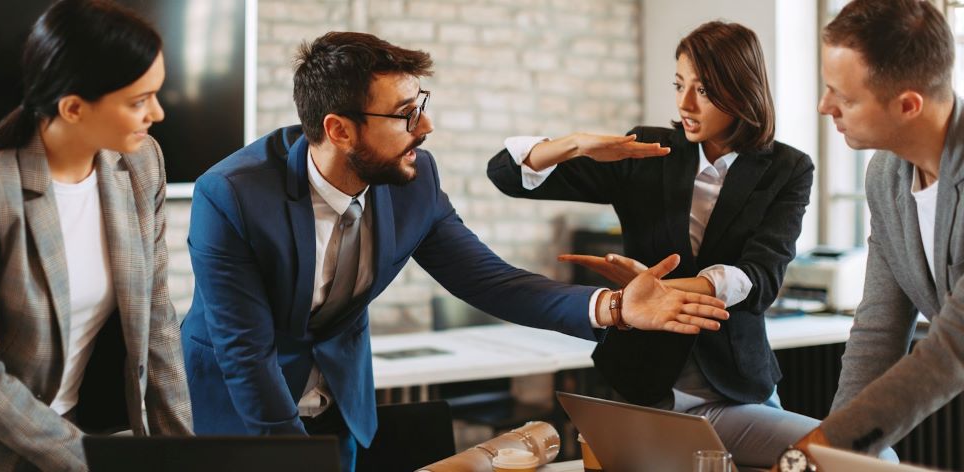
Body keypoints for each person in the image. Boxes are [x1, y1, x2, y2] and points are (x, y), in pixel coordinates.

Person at [181, 31, 730, 471]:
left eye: (420, 104)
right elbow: (246, 353)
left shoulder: (414, 180)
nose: (425, 126)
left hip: (338, 404)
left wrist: (612, 307)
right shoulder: (230, 196)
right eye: (404, 114)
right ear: (339, 130)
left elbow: (490, 281)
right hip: (237, 412)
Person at [487, 21, 817, 467]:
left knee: (835, 456)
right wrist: (575, 144)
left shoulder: (787, 168)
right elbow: (507, 175)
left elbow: (761, 278)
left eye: (703, 89)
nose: (684, 103)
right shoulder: (647, 151)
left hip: (737, 387)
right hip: (643, 386)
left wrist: (661, 290)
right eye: (679, 85)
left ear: (741, 90)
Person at [0, 1, 193, 470]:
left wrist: (184, 456)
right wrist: (87, 458)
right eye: (138, 101)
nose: (157, 112)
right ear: (73, 107)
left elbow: (157, 321)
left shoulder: (142, 165)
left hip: (76, 432)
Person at [778, 0, 964, 468]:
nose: (824, 107)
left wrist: (816, 451)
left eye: (844, 97)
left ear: (908, 105)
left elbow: (952, 349)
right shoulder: (885, 176)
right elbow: (879, 327)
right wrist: (831, 459)